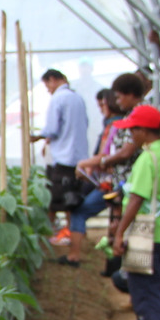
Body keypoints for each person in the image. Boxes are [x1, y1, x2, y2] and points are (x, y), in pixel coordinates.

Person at [107, 104, 160, 320]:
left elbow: (137, 198)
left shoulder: (148, 158)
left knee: (148, 287)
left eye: (133, 131)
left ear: (144, 131)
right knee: (143, 283)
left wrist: (119, 232)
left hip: (147, 231)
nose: (131, 137)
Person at [61, 73, 146, 266]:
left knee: (132, 239)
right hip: (119, 186)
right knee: (120, 224)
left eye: (117, 97)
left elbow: (123, 152)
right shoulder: (128, 122)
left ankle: (120, 267)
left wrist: (102, 161)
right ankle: (120, 268)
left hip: (124, 187)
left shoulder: (146, 159)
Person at [30, 68, 90, 246]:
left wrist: (38, 136)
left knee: (55, 198)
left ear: (53, 79)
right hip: (78, 156)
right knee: (73, 198)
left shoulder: (58, 98)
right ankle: (71, 233)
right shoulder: (77, 98)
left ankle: (54, 235)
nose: (48, 89)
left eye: (47, 84)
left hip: (63, 156)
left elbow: (52, 128)